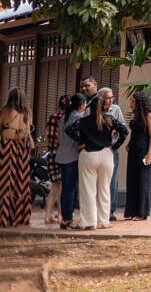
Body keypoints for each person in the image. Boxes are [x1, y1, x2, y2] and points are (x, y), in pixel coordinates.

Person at [66, 91, 129, 230]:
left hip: (88, 154)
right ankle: (103, 221)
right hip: (106, 154)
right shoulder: (110, 119)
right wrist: (114, 146)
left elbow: (69, 130)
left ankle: (88, 222)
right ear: (104, 107)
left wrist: (81, 141)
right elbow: (124, 131)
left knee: (88, 190)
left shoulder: (83, 121)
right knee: (104, 189)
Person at [0, 88, 34, 227]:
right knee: (21, 181)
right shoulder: (27, 111)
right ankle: (19, 216)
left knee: (5, 182)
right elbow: (28, 129)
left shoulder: (5, 111)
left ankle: (4, 217)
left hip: (6, 148)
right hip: (21, 149)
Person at [124, 92, 151, 221]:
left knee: (143, 181)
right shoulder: (136, 116)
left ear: (139, 103)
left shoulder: (149, 116)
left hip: (144, 151)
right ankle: (132, 211)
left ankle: (142, 212)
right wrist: (129, 144)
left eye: (133, 102)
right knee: (132, 180)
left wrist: (149, 153)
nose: (131, 104)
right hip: (134, 150)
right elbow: (135, 133)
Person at [56, 93, 87, 229]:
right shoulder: (79, 118)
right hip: (72, 156)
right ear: (81, 105)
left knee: (65, 189)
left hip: (61, 156)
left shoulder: (63, 118)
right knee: (70, 189)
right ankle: (68, 219)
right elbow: (79, 136)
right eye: (85, 104)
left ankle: (64, 218)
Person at [97, 87, 126, 220]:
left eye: (111, 98)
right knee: (97, 180)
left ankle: (110, 211)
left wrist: (115, 145)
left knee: (112, 180)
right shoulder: (93, 110)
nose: (110, 100)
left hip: (111, 149)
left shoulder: (116, 109)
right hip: (96, 149)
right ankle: (98, 210)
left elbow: (123, 128)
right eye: (107, 98)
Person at [44, 94, 70, 226]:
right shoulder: (68, 118)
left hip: (51, 154)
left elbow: (47, 134)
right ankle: (60, 216)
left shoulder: (52, 116)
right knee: (62, 187)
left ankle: (47, 216)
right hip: (62, 155)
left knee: (54, 187)